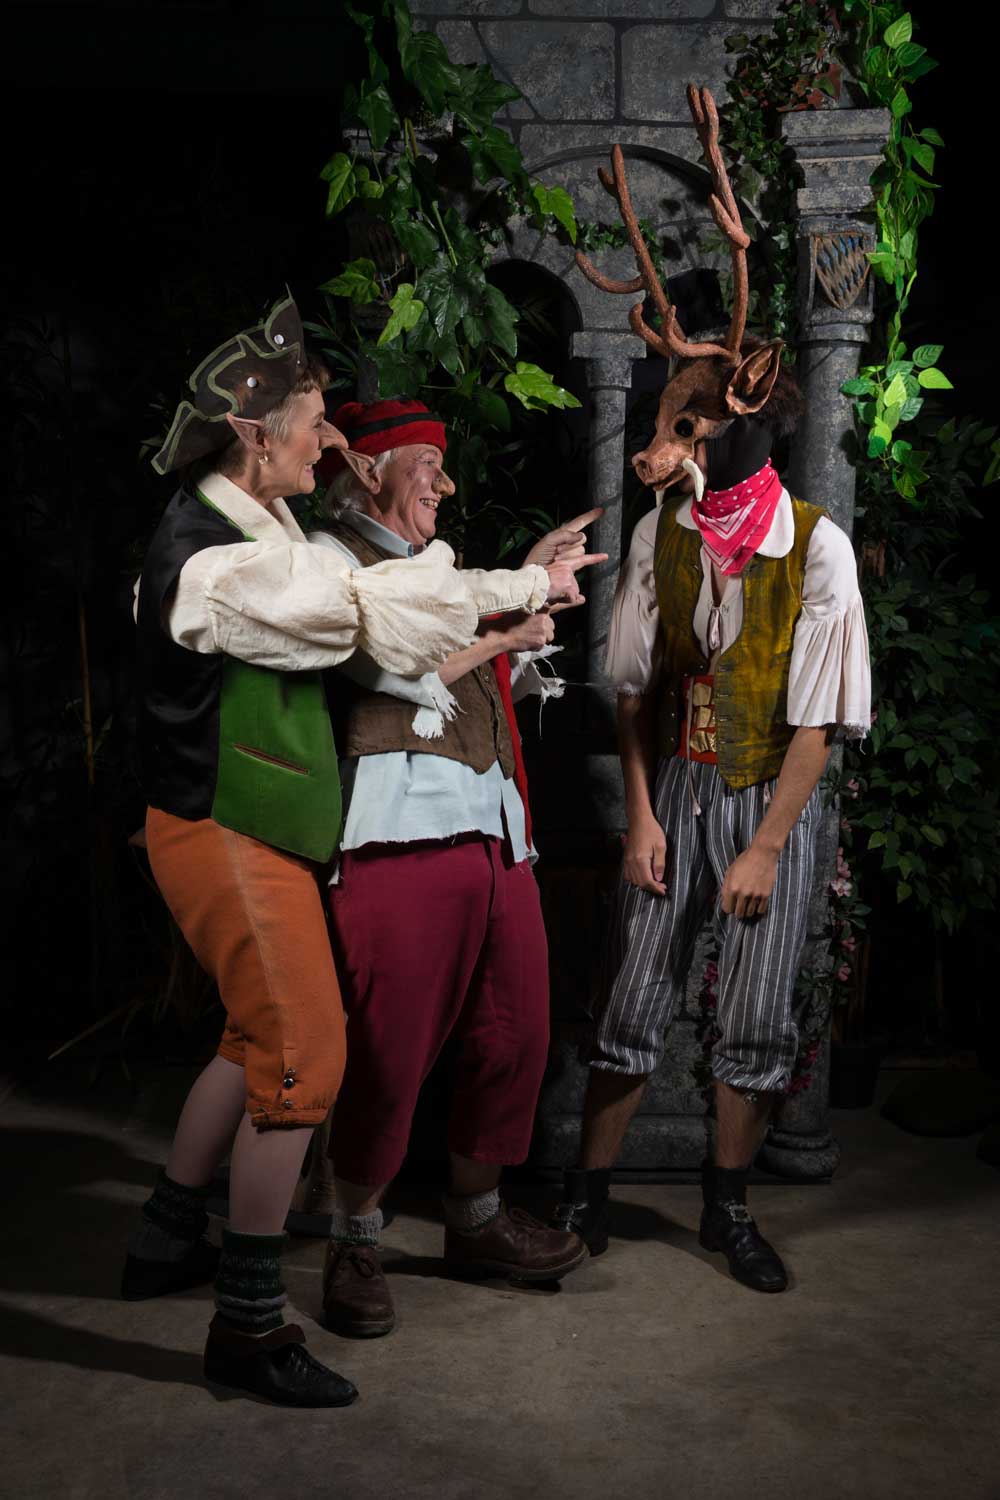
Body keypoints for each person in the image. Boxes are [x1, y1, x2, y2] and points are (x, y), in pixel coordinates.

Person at [124, 301, 583, 1406]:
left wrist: (508, 593)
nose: (327, 436)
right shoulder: (217, 562)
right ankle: (247, 1325)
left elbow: (380, 598)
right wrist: (518, 590)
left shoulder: (262, 531)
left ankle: (165, 1236)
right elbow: (373, 620)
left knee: (251, 1041)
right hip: (222, 828)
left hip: (266, 828)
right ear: (256, 435)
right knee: (305, 1055)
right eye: (315, 420)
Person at [552, 365, 871, 1293]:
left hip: (771, 792)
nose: (668, 443)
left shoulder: (817, 545)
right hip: (679, 788)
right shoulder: (663, 531)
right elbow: (635, 692)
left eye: (686, 424)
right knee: (630, 997)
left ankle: (727, 1201)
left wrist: (767, 845)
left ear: (743, 423)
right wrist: (641, 817)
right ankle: (589, 1193)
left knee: (758, 1010)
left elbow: (816, 722)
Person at [307, 398, 604, 1338]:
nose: (441, 481)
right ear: (366, 469)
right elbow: (391, 672)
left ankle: (476, 1219)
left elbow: (468, 678)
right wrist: (511, 612)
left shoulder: (440, 568)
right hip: (396, 827)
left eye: (442, 463)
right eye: (424, 463)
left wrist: (523, 614)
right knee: (389, 1046)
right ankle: (353, 1235)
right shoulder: (330, 560)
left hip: (489, 817)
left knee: (512, 1029)